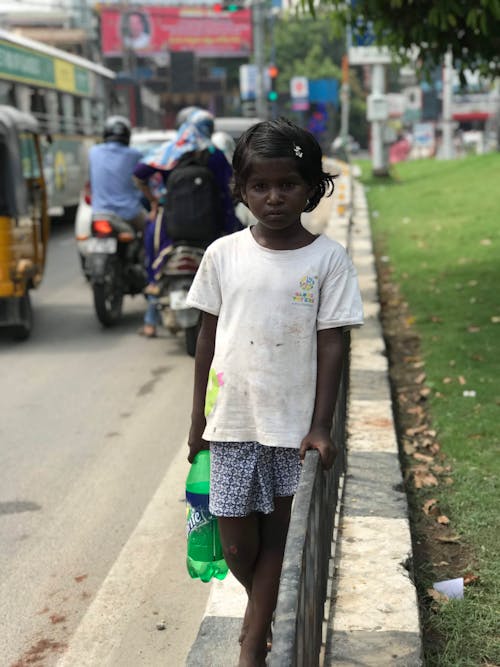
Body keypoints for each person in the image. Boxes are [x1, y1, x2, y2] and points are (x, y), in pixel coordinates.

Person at [186, 117, 364, 666]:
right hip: (233, 425)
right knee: (240, 546)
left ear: (311, 187)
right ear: (240, 190)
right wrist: (197, 421)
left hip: (292, 430)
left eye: (287, 184)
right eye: (259, 186)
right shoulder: (222, 254)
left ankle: (250, 647)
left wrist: (320, 425)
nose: (274, 197)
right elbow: (207, 339)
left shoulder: (327, 260)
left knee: (281, 539)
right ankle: (257, 617)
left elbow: (333, 345)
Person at [133, 108, 241, 337]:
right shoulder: (214, 154)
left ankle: (151, 315)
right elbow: (230, 189)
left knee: (152, 246)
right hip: (211, 223)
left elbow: (139, 173)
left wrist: (154, 202)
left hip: (170, 224)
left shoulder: (169, 152)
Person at [88, 115, 146, 231]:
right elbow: (145, 181)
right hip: (129, 213)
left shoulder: (93, 152)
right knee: (151, 229)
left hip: (99, 213)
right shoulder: (135, 155)